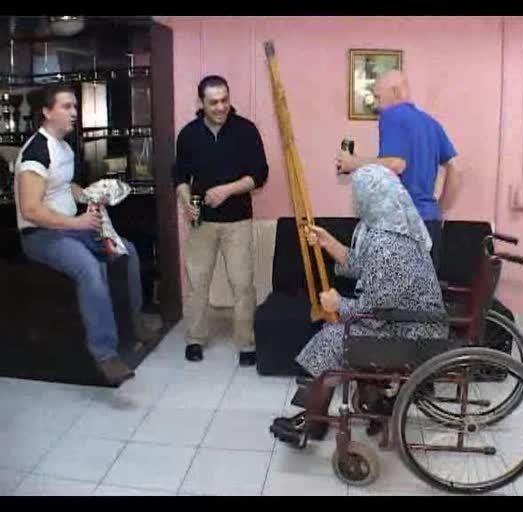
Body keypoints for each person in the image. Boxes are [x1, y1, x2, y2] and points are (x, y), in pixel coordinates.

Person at [269, 164, 448, 444]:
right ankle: (371, 403)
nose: (355, 199)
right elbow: (363, 265)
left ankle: (313, 422)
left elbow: (375, 312)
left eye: (358, 194)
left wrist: (338, 303)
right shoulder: (392, 228)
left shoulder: (390, 246)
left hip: (412, 334)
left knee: (334, 338)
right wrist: (328, 243)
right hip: (408, 324)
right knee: (339, 333)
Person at [14, 84, 161, 386]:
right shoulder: (35, 153)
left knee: (126, 250)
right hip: (41, 235)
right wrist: (78, 223)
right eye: (66, 107)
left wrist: (86, 194)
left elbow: (61, 184)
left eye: (74, 107)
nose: (74, 113)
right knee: (90, 269)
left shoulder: (63, 147)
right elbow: (30, 210)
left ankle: (135, 322)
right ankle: (105, 354)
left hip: (69, 228)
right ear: (47, 112)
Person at [174, 75, 269, 366]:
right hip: (201, 222)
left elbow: (259, 175)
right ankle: (195, 339)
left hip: (238, 221)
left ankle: (246, 343)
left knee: (243, 285)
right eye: (213, 102)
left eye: (224, 100)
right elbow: (180, 177)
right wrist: (186, 201)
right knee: (197, 283)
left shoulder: (246, 130)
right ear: (201, 103)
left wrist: (226, 190)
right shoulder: (188, 134)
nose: (220, 107)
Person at [336, 70, 461, 273]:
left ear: (395, 92)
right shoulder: (431, 124)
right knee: (423, 292)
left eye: (378, 97)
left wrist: (353, 163)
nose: (376, 105)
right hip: (429, 224)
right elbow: (455, 169)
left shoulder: (391, 116)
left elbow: (396, 164)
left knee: (390, 291)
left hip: (402, 226)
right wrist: (438, 210)